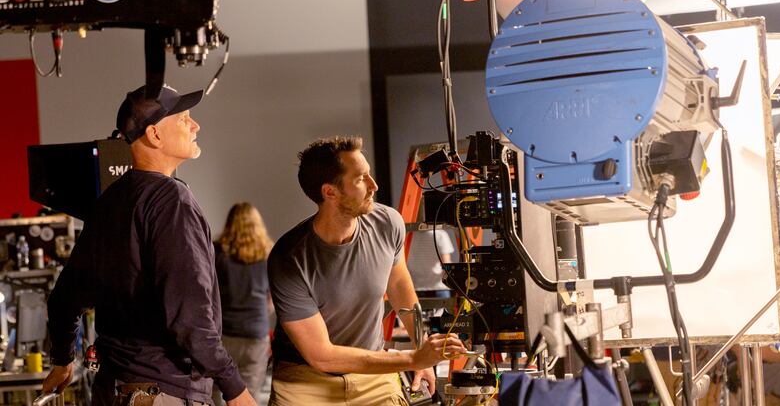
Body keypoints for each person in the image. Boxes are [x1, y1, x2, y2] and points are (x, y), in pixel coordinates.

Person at [43, 85, 256, 406]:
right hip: (163, 391)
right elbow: (189, 319)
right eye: (184, 119)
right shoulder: (173, 201)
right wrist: (236, 390)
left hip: (112, 388)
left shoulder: (108, 203)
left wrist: (62, 361)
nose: (195, 126)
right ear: (155, 135)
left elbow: (63, 299)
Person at [267, 136, 466, 406]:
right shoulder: (289, 257)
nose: (374, 185)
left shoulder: (387, 222)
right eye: (361, 179)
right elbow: (321, 355)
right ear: (330, 192)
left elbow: (400, 290)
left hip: (372, 371)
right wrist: (412, 359)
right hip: (306, 379)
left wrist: (421, 349)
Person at [212, 202, 275, 405]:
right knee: (249, 394)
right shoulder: (268, 253)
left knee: (213, 390)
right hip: (256, 334)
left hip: (224, 334)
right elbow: (273, 298)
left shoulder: (217, 251)